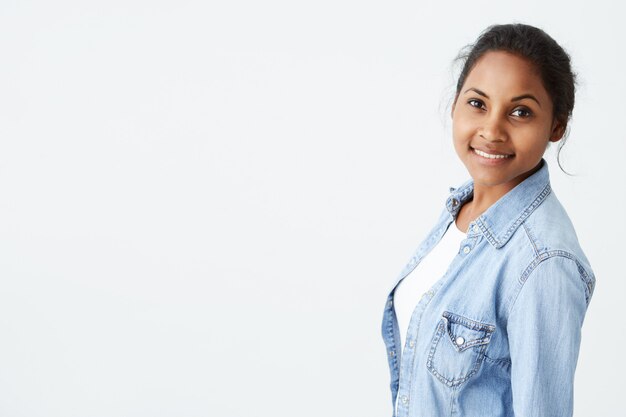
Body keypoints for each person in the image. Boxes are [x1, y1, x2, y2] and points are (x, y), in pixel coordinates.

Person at [381, 23, 596, 417]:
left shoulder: (544, 261)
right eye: (478, 103)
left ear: (556, 126)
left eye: (520, 112)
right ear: (455, 105)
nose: (492, 130)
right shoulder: (461, 209)